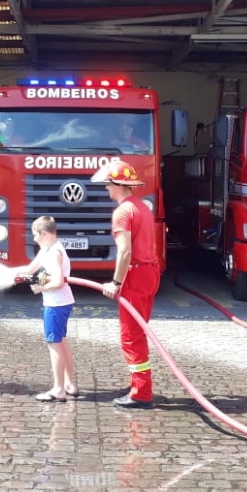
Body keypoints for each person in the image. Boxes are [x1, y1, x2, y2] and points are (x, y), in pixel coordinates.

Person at [93, 160, 161, 409]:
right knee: (138, 332)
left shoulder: (122, 212)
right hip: (150, 273)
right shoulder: (141, 207)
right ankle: (139, 384)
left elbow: (124, 253)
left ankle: (141, 393)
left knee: (131, 336)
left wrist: (115, 282)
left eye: (107, 185)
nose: (106, 190)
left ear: (117, 184)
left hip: (136, 275)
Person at [17, 215, 79, 402]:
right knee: (62, 343)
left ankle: (58, 389)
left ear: (44, 233)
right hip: (62, 303)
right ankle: (69, 384)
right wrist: (14, 274)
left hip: (55, 305)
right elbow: (31, 268)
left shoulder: (53, 254)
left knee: (54, 344)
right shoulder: (48, 248)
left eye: (35, 235)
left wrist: (39, 288)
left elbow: (58, 281)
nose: (34, 238)